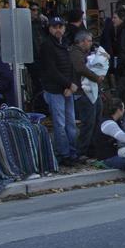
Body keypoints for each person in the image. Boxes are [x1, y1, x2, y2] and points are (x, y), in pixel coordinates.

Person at [37, 16, 81, 165]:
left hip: (67, 89)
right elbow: (50, 70)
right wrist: (68, 84)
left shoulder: (65, 44)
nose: (58, 29)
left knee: (71, 124)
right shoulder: (47, 46)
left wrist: (72, 84)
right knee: (60, 124)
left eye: (60, 26)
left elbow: (71, 66)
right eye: (54, 27)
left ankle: (73, 152)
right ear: (49, 29)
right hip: (55, 90)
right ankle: (64, 154)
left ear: (64, 28)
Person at [70, 31, 105, 158]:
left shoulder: (87, 53)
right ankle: (82, 151)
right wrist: (96, 77)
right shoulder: (75, 53)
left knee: (96, 120)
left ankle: (93, 149)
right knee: (88, 122)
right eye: (89, 41)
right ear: (82, 41)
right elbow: (81, 68)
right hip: (83, 92)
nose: (91, 43)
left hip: (93, 91)